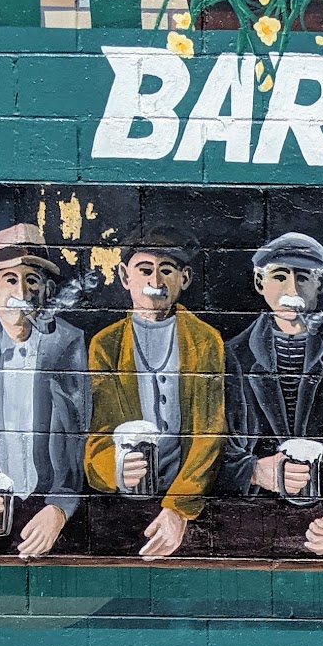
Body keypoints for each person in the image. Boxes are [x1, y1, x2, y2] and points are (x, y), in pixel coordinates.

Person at [0, 223, 90, 559]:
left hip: (51, 504)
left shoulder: (68, 343)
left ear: (46, 291)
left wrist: (61, 504)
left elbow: (77, 428)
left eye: (31, 280)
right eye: (10, 279)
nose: (21, 291)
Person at [221, 231, 323, 554]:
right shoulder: (233, 355)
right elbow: (218, 453)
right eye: (279, 276)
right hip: (251, 521)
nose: (291, 289)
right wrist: (256, 472)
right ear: (260, 283)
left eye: (303, 277)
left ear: (320, 284)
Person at [83, 227, 225, 560]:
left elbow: (210, 432)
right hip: (123, 499)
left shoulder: (205, 340)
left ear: (184, 278)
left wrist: (178, 504)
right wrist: (116, 468)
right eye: (145, 269)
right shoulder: (105, 344)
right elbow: (98, 432)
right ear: (125, 276)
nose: (155, 281)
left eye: (167, 270)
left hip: (188, 498)